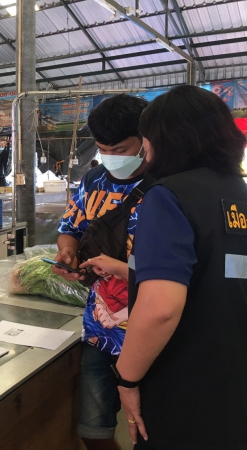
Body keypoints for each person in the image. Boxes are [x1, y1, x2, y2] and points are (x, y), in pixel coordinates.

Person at [107, 86, 247, 449]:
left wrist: (126, 378)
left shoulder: (168, 196)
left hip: (187, 386)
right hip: (234, 378)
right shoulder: (238, 191)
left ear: (164, 139)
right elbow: (221, 271)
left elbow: (161, 309)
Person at [54, 94, 149, 450]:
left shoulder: (167, 185)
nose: (111, 157)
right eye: (103, 149)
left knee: (150, 431)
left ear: (145, 140)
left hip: (150, 333)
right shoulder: (93, 180)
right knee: (92, 431)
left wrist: (122, 269)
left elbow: (182, 271)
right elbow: (70, 229)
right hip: (100, 331)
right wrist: (68, 252)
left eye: (121, 149)